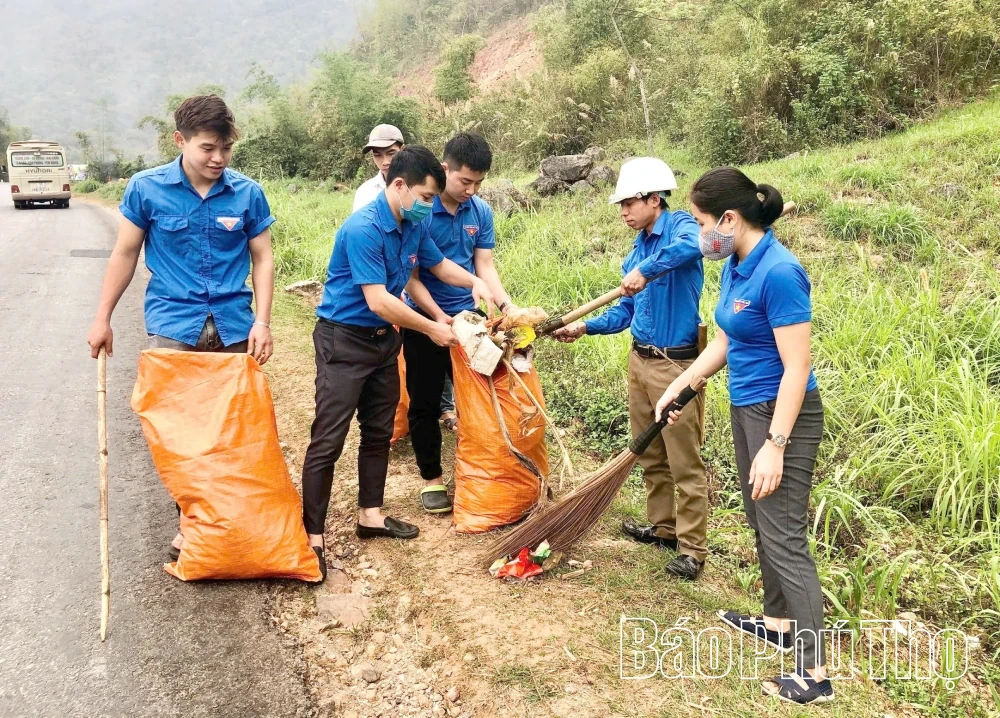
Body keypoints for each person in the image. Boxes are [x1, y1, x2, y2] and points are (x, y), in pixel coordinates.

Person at [655, 167, 831, 704]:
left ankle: (814, 672)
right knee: (761, 518)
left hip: (784, 415)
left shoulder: (780, 272)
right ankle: (778, 620)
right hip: (746, 405)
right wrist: (682, 384)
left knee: (784, 534)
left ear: (729, 219)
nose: (699, 232)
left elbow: (797, 368)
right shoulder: (736, 263)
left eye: (702, 221)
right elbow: (730, 337)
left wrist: (777, 445)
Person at [85, 95, 276, 560]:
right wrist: (102, 317)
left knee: (232, 429)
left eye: (226, 149)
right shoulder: (147, 189)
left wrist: (264, 322)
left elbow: (263, 256)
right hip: (174, 324)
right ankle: (191, 522)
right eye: (208, 148)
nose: (218, 159)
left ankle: (228, 521)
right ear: (180, 141)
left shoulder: (247, 193)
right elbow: (126, 253)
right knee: (182, 433)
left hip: (234, 325)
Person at [301, 145, 494, 580]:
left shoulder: (412, 224)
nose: (430, 206)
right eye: (426, 197)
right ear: (400, 186)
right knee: (328, 438)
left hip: (383, 343)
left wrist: (475, 281)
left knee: (378, 430)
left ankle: (370, 515)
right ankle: (311, 536)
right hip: (344, 340)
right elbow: (380, 300)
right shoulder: (363, 228)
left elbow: (440, 266)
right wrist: (431, 327)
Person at [553, 157, 708, 581]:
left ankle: (693, 549)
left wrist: (649, 269)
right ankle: (663, 529)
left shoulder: (680, 228)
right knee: (650, 452)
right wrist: (585, 327)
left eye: (628, 204)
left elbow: (695, 246)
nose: (623, 212)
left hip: (675, 363)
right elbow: (625, 312)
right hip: (639, 362)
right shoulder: (634, 253)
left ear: (653, 199)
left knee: (684, 460)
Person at [401, 133, 518, 514]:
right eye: (465, 181)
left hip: (470, 319)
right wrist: (436, 318)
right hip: (424, 319)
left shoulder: (480, 212)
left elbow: (483, 266)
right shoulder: (420, 209)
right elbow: (411, 275)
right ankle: (431, 478)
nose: (471, 190)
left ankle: (483, 468)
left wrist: (504, 304)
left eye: (479, 183)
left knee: (482, 394)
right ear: (445, 168)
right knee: (425, 398)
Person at [352, 124, 404, 213]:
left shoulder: (419, 185)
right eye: (377, 155)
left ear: (402, 149)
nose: (385, 162)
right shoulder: (365, 192)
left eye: (391, 154)